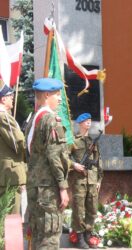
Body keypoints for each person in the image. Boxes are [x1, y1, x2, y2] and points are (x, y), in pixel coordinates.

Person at [25, 78, 71, 249]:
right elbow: (55, 156)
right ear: (46, 95)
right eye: (57, 94)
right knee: (49, 238)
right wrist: (63, 186)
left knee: (38, 236)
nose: (60, 99)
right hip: (48, 189)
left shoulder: (33, 119)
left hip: (35, 187)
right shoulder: (51, 119)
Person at [69, 113, 103, 249]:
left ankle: (88, 234)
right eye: (86, 121)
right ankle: (79, 236)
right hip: (79, 180)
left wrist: (99, 179)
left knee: (92, 208)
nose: (89, 122)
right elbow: (64, 157)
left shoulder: (93, 141)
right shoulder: (73, 141)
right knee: (78, 209)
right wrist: (74, 165)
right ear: (80, 123)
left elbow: (98, 160)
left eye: (90, 120)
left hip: (92, 180)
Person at [0, 80, 26, 214]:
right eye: (10, 96)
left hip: (5, 174)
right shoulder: (4, 116)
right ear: (3, 99)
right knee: (11, 218)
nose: (12, 98)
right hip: (9, 175)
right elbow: (18, 143)